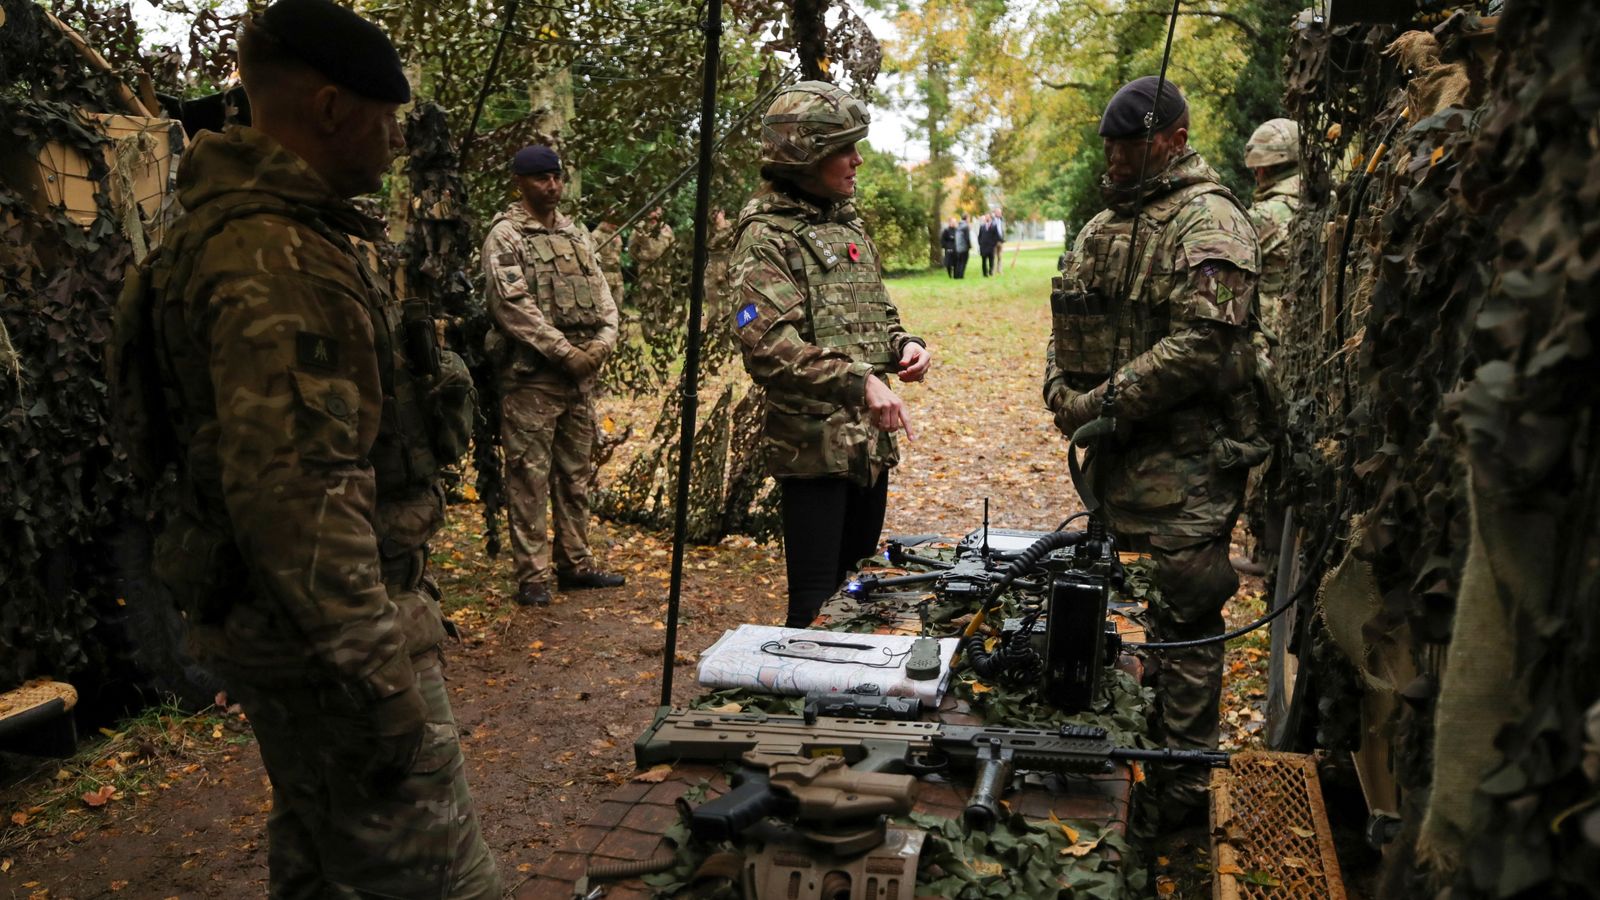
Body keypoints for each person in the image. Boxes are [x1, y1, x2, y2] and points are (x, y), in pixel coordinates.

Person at [109, 0, 499, 894]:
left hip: (285, 635)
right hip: (330, 648)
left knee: (324, 860)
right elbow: (299, 507)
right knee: (441, 875)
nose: (397, 141)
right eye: (388, 117)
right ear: (332, 110)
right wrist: (384, 685)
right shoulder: (275, 261)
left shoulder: (242, 234)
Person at [1043, 76, 1265, 828]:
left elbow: (1205, 344)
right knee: (1119, 623)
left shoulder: (1210, 221)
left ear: (1174, 138)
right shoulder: (1104, 224)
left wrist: (1104, 404)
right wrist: (1062, 396)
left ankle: (1180, 793)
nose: (1114, 154)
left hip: (1187, 476)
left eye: (1130, 143)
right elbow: (1065, 319)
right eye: (1109, 143)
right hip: (1112, 478)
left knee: (1185, 630)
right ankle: (1122, 775)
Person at [728, 81, 932, 628]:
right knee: (815, 607)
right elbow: (769, 346)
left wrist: (905, 344)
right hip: (813, 450)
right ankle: (796, 708)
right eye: (844, 148)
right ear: (805, 153)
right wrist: (862, 382)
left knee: (860, 593)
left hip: (868, 447)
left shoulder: (848, 226)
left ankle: (848, 706)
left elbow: (875, 312)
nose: (857, 160)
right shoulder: (766, 236)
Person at [482, 144, 627, 607]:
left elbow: (605, 297)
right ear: (519, 182)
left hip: (579, 379)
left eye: (557, 177)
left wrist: (601, 345)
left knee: (576, 474)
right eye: (542, 178)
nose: (552, 186)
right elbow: (512, 307)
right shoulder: (506, 236)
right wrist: (565, 352)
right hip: (532, 380)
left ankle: (576, 564)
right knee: (529, 477)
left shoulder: (575, 234)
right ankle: (533, 576)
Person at [1243, 117, 1303, 340]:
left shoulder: (1264, 216)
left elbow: (1217, 271)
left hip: (1272, 335)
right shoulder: (1325, 199)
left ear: (1263, 169)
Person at [628, 206, 675, 300]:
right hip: (647, 268)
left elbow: (673, 246)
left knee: (664, 296)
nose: (655, 215)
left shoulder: (666, 228)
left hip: (663, 268)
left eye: (658, 213)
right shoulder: (640, 229)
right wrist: (644, 259)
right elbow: (632, 249)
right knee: (647, 294)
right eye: (653, 212)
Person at [590, 218, 626, 309]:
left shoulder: (616, 234)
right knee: (604, 305)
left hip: (617, 276)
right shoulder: (596, 235)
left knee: (618, 303)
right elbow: (590, 255)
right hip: (604, 274)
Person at [977, 213, 999, 277]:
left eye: (988, 217)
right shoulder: (982, 227)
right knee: (984, 261)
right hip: (983, 247)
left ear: (990, 218)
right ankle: (984, 273)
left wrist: (993, 244)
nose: (987, 218)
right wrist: (980, 243)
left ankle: (990, 271)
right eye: (986, 217)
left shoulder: (994, 226)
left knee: (991, 260)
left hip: (991, 247)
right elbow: (979, 236)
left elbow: (996, 237)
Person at [952, 211, 972, 278]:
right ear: (966, 218)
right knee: (963, 262)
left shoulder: (958, 225)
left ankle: (957, 276)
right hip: (964, 247)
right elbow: (967, 238)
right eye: (969, 218)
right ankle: (961, 276)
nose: (969, 219)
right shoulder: (965, 226)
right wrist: (969, 246)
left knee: (959, 262)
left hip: (958, 247)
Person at [990, 206, 1007, 274]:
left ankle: (999, 270)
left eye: (1000, 212)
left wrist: (1004, 238)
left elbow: (1003, 230)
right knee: (993, 256)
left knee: (1000, 256)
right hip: (994, 241)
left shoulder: (1002, 220)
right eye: (998, 212)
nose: (1000, 213)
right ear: (995, 213)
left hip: (1001, 240)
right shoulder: (992, 220)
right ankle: (993, 270)